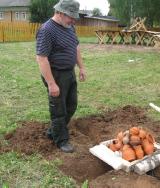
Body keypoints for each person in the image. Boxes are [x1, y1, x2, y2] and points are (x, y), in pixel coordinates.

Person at [36, 0, 86, 153]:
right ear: (60, 13)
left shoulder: (70, 26)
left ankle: (53, 131)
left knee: (71, 104)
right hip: (55, 74)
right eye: (71, 17)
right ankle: (61, 140)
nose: (73, 20)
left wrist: (81, 67)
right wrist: (51, 83)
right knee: (59, 109)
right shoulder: (47, 30)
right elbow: (42, 58)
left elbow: (75, 47)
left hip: (69, 72)